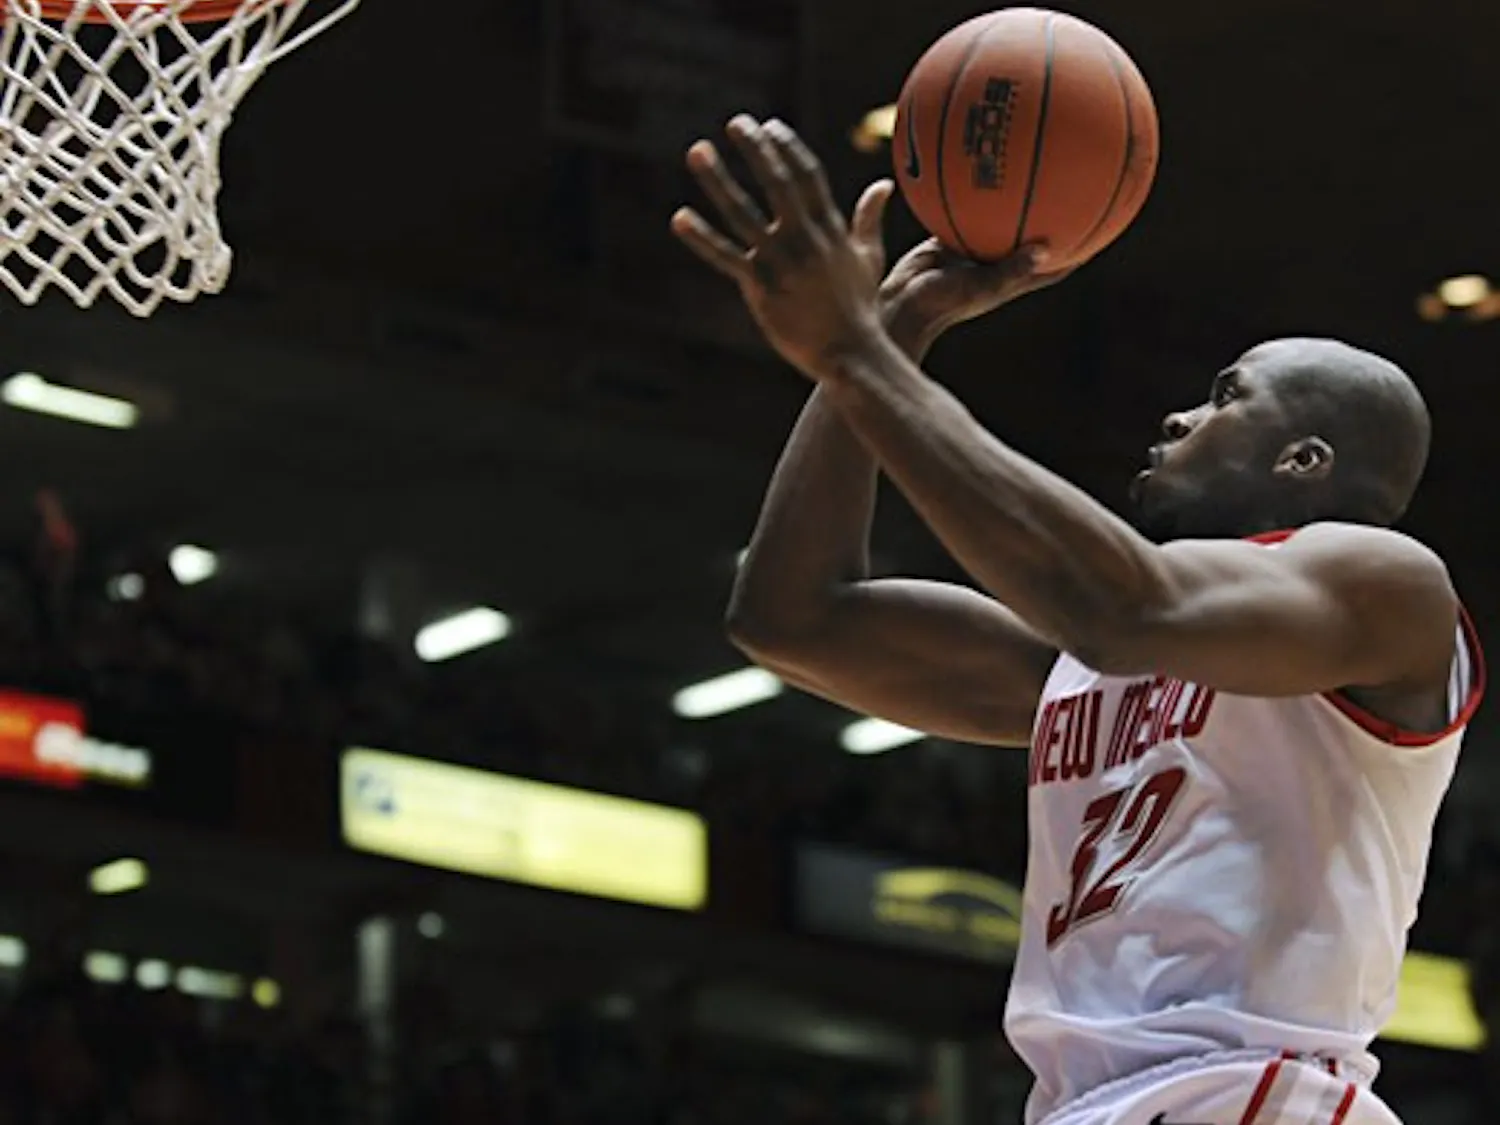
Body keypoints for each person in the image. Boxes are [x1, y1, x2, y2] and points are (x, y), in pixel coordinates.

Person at [671, 115, 1484, 1125]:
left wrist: (856, 355)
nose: (1180, 416)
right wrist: (895, 332)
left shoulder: (1387, 586)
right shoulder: (1082, 664)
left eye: (1227, 397)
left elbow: (1122, 606)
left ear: (1303, 461)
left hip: (1248, 1094)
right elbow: (791, 618)